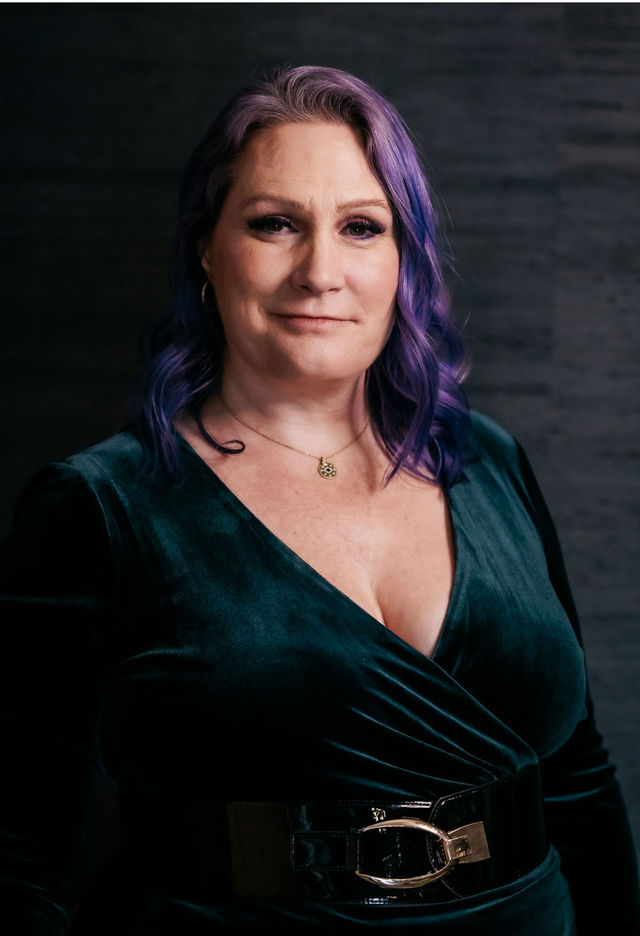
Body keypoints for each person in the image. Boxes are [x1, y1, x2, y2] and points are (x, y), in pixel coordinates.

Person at [0, 65, 638, 936]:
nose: (320, 271)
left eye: (361, 227)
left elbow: (578, 778)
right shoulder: (98, 507)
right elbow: (16, 852)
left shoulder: (487, 460)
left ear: (404, 258)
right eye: (275, 224)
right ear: (206, 248)